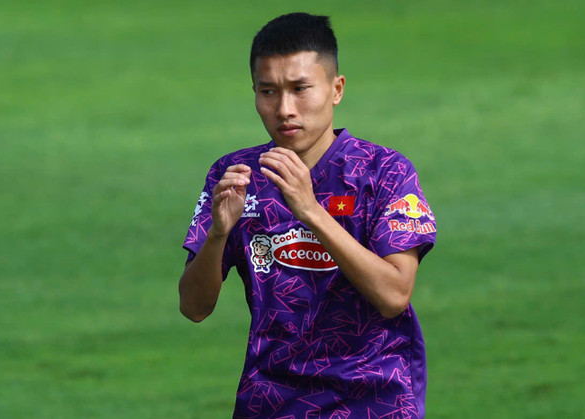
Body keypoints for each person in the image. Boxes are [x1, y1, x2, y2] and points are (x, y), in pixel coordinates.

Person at [180, 12, 437, 418]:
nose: (284, 109)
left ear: (336, 89)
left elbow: (393, 296)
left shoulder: (384, 172)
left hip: (373, 402)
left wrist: (311, 210)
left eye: (300, 89)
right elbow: (194, 308)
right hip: (270, 402)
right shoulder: (235, 176)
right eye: (268, 91)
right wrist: (217, 235)